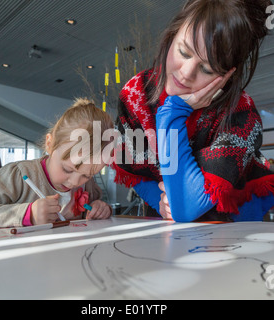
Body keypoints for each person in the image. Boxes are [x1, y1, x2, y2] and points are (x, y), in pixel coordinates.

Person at [112, 0, 274, 222]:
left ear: (228, 76)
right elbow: (136, 172)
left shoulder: (241, 113)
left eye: (207, 69)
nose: (186, 74)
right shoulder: (136, 92)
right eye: (183, 52)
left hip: (236, 225)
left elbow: (188, 206)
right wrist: (162, 202)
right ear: (172, 34)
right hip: (170, 226)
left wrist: (173, 113)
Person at [0, 98, 114, 230]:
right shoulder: (18, 175)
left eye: (87, 175)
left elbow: (90, 208)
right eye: (67, 169)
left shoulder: (87, 185)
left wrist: (99, 208)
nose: (74, 182)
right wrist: (26, 214)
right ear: (49, 144)